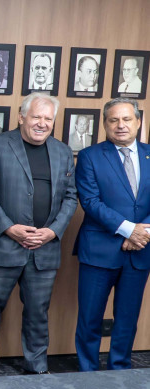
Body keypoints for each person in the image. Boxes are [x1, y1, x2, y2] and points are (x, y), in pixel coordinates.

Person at [0, 92, 77, 376]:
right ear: (21, 117)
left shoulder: (63, 151)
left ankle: (37, 366)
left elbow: (71, 197)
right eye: (36, 117)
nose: (42, 123)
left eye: (48, 118)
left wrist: (52, 232)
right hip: (1, 245)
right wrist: (9, 227)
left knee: (37, 314)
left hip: (44, 250)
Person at [74, 98, 150, 372]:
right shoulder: (89, 156)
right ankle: (88, 371)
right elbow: (91, 202)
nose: (120, 125)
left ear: (138, 122)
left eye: (127, 119)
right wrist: (129, 229)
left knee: (127, 318)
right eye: (113, 120)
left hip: (140, 251)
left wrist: (141, 232)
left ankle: (120, 369)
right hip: (99, 251)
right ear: (105, 124)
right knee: (90, 318)